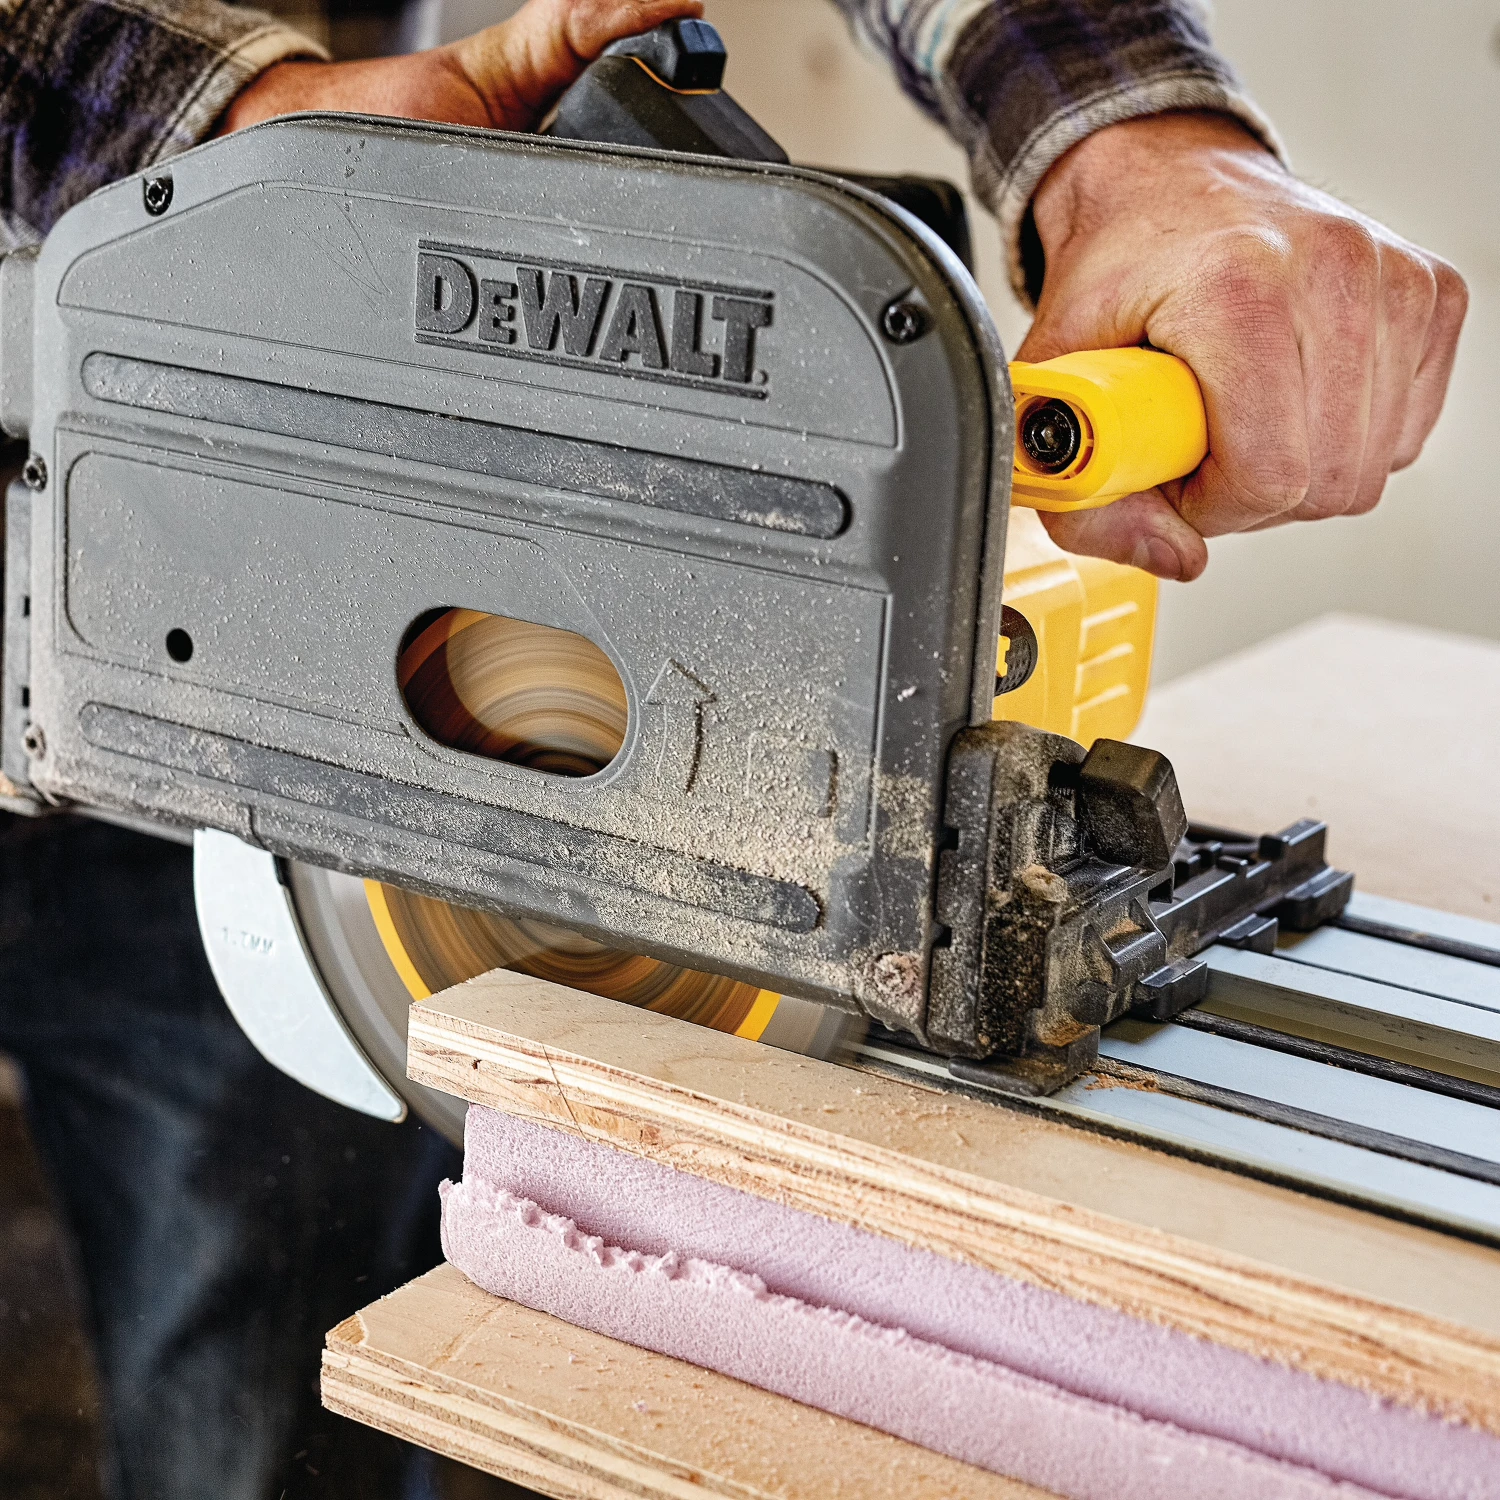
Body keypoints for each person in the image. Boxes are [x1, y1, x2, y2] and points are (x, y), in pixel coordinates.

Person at [0, 1, 1468, 1497]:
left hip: (234, 730)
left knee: (275, 1396)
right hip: (203, 310)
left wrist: (1136, 139)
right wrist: (226, 127)